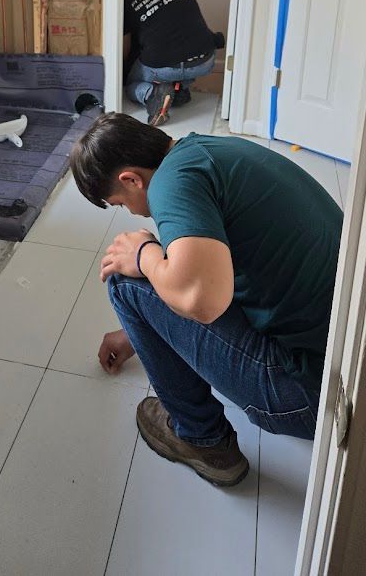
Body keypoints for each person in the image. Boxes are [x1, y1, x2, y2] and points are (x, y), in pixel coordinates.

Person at [70, 113, 342, 487]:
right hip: (344, 367)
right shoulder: (209, 151)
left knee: (126, 278)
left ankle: (202, 439)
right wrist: (141, 331)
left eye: (121, 203)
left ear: (131, 179)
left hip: (314, 396)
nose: (132, 212)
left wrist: (144, 256)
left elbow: (203, 300)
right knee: (176, 255)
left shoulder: (170, 183)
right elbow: (211, 269)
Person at [123, 0, 221, 126]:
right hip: (206, 59)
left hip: (167, 66)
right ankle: (179, 89)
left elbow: (127, 45)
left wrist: (124, 71)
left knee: (130, 82)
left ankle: (151, 94)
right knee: (171, 56)